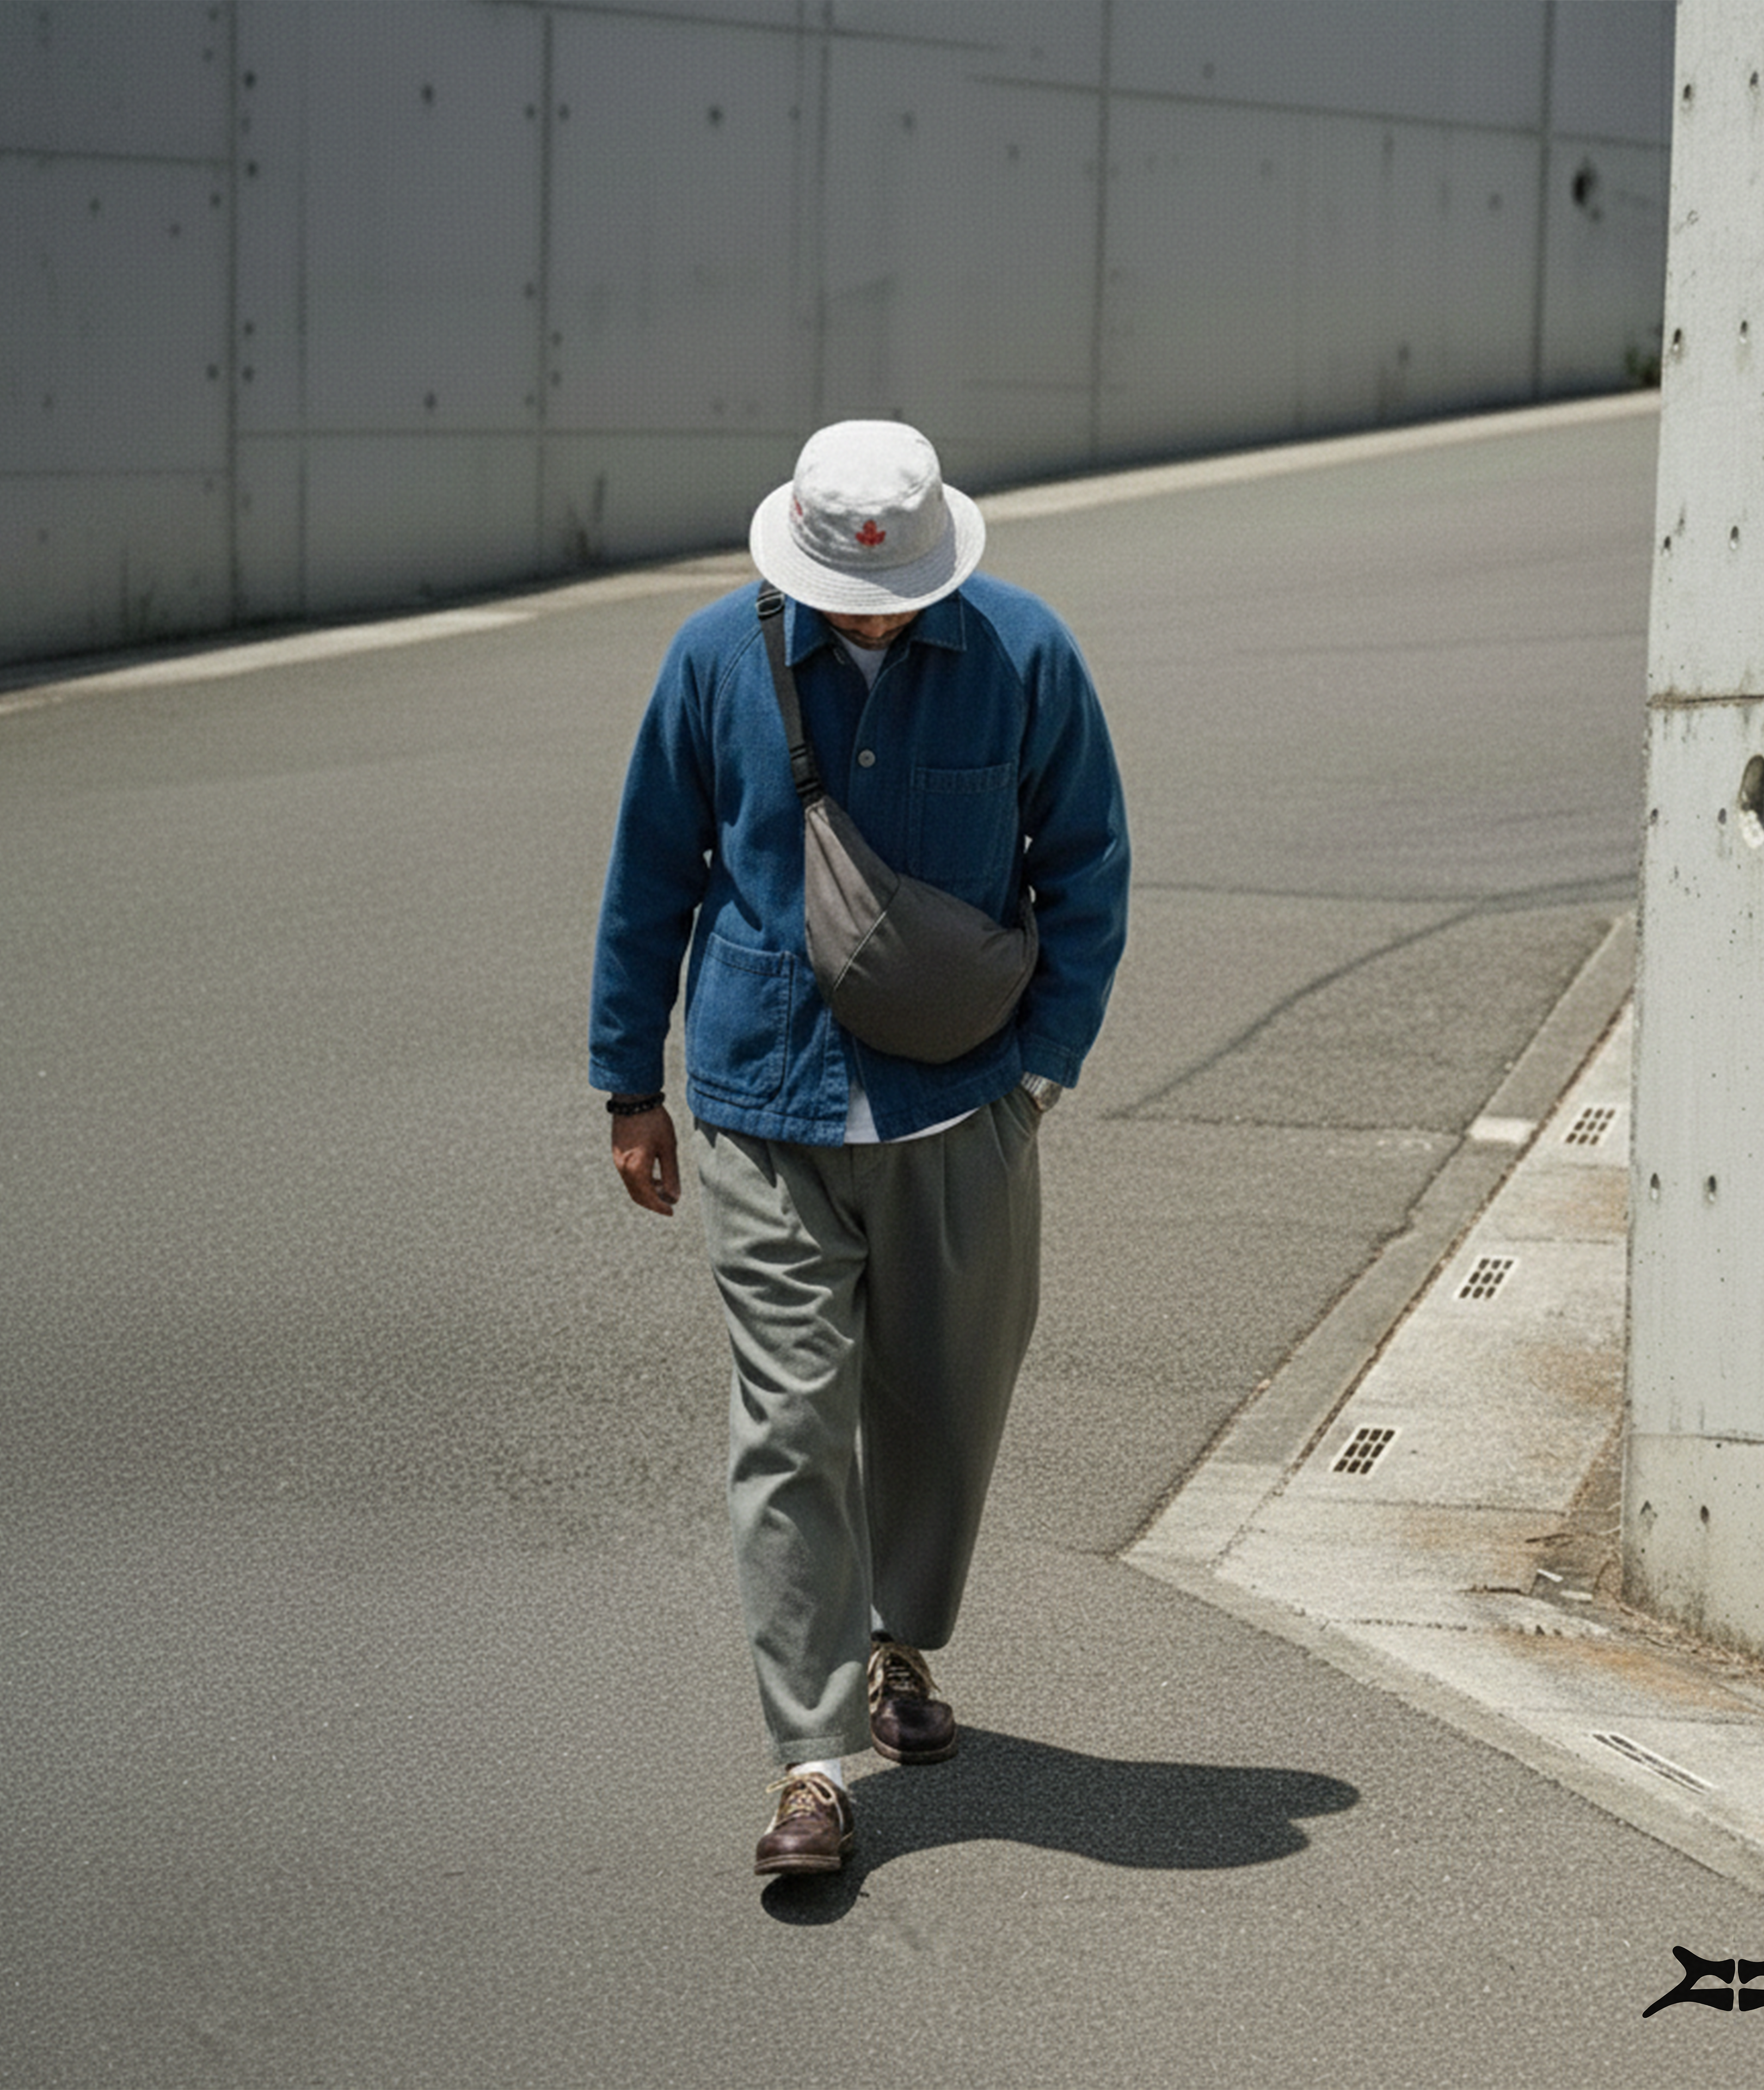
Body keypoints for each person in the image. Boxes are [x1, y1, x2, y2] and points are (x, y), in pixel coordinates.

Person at [589, 420, 1129, 1877]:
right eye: (846, 592)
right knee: (790, 1425)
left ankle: (899, 1644)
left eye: (890, 591)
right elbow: (652, 868)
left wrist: (1039, 1081)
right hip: (765, 1105)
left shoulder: (1026, 656)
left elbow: (1086, 864)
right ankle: (811, 1763)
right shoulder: (716, 660)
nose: (871, 614)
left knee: (950, 1399)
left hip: (964, 1106)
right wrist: (627, 1081)